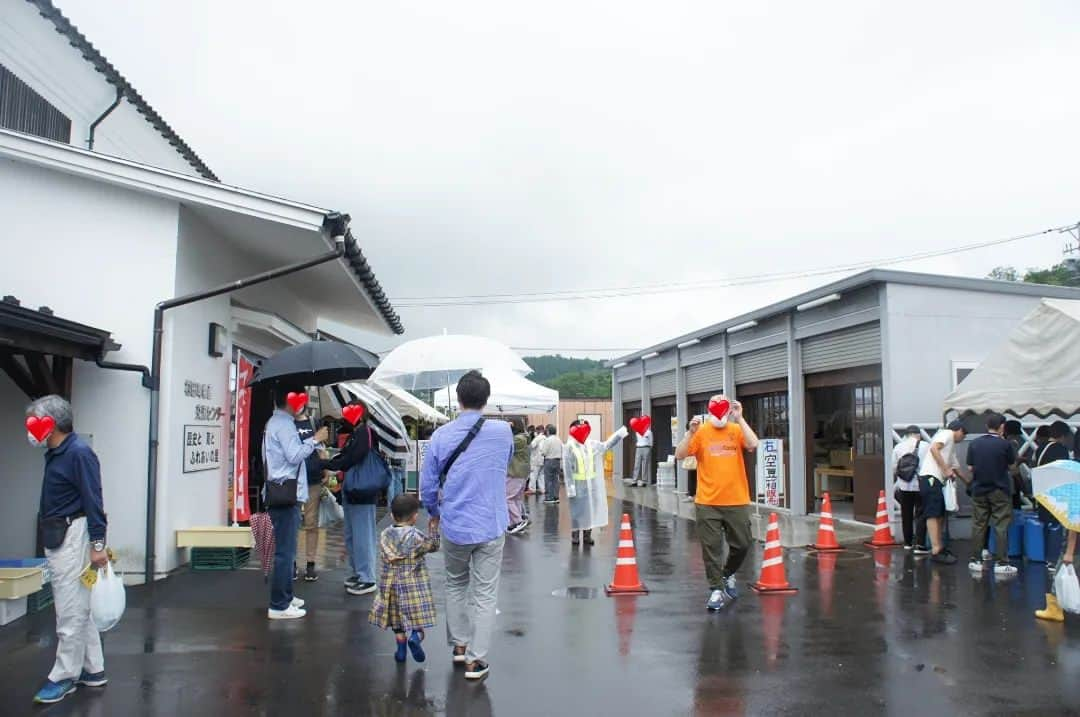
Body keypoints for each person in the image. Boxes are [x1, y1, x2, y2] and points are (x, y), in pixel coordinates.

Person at [420, 370, 513, 681]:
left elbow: (428, 485)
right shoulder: (503, 432)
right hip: (491, 521)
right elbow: (506, 463)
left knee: (456, 583)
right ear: (486, 400)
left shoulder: (440, 436)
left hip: (455, 523)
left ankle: (459, 645)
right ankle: (476, 659)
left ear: (458, 399)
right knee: (485, 593)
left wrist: (434, 511)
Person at [27, 395, 109, 705]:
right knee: (78, 605)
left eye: (35, 422)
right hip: (63, 534)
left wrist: (98, 544)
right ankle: (93, 668)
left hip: (73, 536)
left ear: (51, 424)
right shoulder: (59, 452)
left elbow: (94, 499)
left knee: (70, 608)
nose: (31, 430)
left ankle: (64, 676)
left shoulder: (78, 453)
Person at [675, 395, 760, 612]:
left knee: (742, 544)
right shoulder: (701, 432)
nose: (720, 414)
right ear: (710, 410)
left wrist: (740, 418)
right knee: (711, 548)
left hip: (737, 500)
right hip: (707, 502)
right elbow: (680, 454)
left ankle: (727, 573)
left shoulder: (735, 429)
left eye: (724, 408)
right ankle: (716, 589)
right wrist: (689, 432)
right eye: (716, 408)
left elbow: (753, 444)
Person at [263, 385, 328, 620]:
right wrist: (314, 440)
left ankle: (286, 597)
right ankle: (279, 604)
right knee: (285, 552)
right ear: (291, 401)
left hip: (282, 491)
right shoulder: (283, 425)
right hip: (285, 492)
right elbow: (294, 456)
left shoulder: (276, 423)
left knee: (287, 550)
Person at [369, 494, 440, 663]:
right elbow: (433, 547)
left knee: (397, 621)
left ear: (392, 515)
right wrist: (433, 530)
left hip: (391, 586)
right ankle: (416, 636)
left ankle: (401, 651)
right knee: (415, 617)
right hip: (413, 586)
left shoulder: (385, 534)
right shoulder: (416, 536)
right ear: (415, 517)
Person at [325, 400, 377, 596]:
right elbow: (347, 457)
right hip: (354, 490)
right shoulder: (356, 433)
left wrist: (327, 464)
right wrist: (331, 463)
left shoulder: (365, 432)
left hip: (362, 490)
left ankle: (367, 577)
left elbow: (352, 458)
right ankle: (358, 572)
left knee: (362, 535)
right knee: (352, 535)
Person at [963, 414, 1019, 576]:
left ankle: (976, 560)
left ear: (987, 426)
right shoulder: (1005, 444)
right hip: (999, 490)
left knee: (979, 524)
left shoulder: (974, 444)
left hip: (979, 489)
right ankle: (1002, 563)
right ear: (1002, 426)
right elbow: (1011, 466)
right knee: (1001, 525)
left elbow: (970, 468)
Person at [563, 420, 629, 545]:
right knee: (577, 511)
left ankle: (587, 535)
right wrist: (570, 487)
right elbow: (567, 468)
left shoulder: (591, 445)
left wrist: (619, 434)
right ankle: (575, 535)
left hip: (591, 484)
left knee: (590, 509)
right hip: (577, 484)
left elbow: (606, 446)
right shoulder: (569, 447)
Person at [916, 419, 966, 565]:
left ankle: (939, 547)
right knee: (933, 513)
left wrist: (968, 482)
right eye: (963, 436)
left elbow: (955, 467)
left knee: (939, 513)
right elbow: (934, 448)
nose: (962, 439)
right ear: (959, 430)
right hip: (931, 477)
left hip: (936, 480)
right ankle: (936, 549)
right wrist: (945, 469)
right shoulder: (947, 434)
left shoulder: (950, 447)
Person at [294, 406, 329, 583]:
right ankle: (291, 562)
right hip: (292, 479)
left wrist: (325, 468)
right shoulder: (286, 424)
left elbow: (321, 448)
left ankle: (310, 563)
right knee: (291, 522)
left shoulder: (314, 422)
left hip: (313, 478)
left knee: (311, 522)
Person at [891, 425, 928, 550]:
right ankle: (920, 543)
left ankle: (907, 542)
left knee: (906, 514)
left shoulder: (898, 447)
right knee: (921, 514)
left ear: (906, 435)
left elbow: (894, 468)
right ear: (918, 434)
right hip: (920, 484)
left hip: (904, 485)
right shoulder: (925, 446)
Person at [1036, 529, 1078, 622]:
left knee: (1059, 577)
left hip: (1074, 551)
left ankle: (1054, 610)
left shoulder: (1074, 514)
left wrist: (1069, 553)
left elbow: (1074, 528)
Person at [506, 419, 531, 535]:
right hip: (522, 473)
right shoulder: (524, 437)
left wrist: (506, 428)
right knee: (515, 498)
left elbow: (505, 445)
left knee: (507, 498)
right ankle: (516, 522)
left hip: (516, 472)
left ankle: (517, 521)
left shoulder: (518, 439)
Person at [540, 424, 563, 504]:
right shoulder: (559, 440)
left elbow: (543, 452)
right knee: (556, 479)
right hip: (557, 461)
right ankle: (556, 497)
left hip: (549, 461)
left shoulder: (547, 440)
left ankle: (549, 498)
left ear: (548, 431)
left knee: (548, 479)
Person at [628, 423, 654, 488]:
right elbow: (638, 440)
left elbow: (651, 442)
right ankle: (634, 481)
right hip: (638, 448)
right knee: (637, 464)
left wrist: (649, 448)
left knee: (645, 465)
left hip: (646, 448)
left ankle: (644, 481)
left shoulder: (649, 432)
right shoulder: (637, 432)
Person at [529, 425, 547, 495]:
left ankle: (532, 489)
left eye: (536, 431)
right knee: (541, 475)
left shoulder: (537, 438)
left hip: (536, 460)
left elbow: (531, 446)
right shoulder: (546, 438)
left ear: (538, 430)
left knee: (533, 474)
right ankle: (542, 489)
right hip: (543, 459)